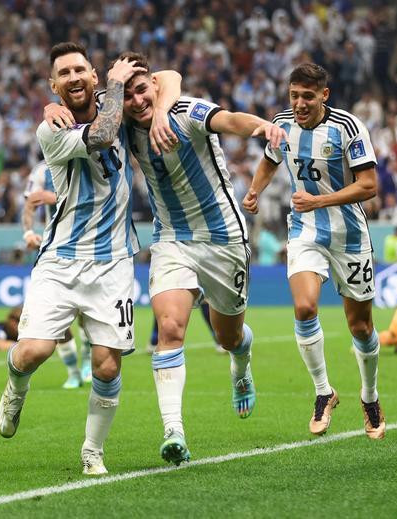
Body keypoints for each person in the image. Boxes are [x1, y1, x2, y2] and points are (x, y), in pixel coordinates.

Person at [0, 42, 179, 476]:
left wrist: (157, 109)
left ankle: (92, 450)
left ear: (93, 76)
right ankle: (15, 387)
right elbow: (101, 136)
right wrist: (112, 85)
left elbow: (169, 78)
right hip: (60, 259)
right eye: (64, 73)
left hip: (114, 262)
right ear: (53, 85)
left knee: (107, 364)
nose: (74, 77)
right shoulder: (51, 130)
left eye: (80, 69)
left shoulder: (119, 104)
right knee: (33, 351)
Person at [102, 51, 285, 465]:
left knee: (228, 336)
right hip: (172, 238)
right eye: (127, 95)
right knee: (169, 327)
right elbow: (89, 111)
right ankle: (174, 430)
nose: (136, 100)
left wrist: (261, 127)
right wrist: (53, 106)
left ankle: (241, 363)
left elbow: (228, 119)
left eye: (141, 89)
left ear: (153, 85)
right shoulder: (123, 125)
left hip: (223, 239)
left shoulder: (185, 112)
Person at [243, 63, 386, 440]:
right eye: (294, 95)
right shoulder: (282, 124)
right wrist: (255, 190)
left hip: (349, 235)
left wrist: (319, 201)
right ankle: (324, 392)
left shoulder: (348, 127)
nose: (300, 103)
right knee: (305, 307)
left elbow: (368, 185)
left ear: (324, 95)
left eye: (308, 96)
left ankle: (370, 396)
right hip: (305, 230)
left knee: (361, 326)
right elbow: (270, 161)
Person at [22, 153, 93, 389]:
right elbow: (30, 202)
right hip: (53, 251)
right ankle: (73, 372)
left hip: (88, 248)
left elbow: (95, 198)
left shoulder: (88, 160)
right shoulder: (41, 171)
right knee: (56, 318)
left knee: (85, 314)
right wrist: (28, 232)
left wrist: (54, 197)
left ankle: (87, 363)